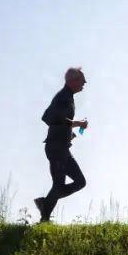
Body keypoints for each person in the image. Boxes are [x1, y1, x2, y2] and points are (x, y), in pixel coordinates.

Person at [34, 67, 89, 222]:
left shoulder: (67, 96)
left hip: (60, 147)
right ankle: (45, 210)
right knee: (67, 184)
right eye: (82, 80)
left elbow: (54, 119)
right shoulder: (63, 96)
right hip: (56, 149)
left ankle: (45, 210)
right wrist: (77, 124)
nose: (85, 82)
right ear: (73, 81)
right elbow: (51, 118)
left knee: (71, 183)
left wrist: (68, 132)